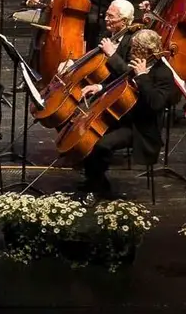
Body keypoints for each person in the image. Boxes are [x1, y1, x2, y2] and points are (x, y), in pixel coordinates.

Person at [72, 29, 178, 198]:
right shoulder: (137, 62)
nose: (132, 52)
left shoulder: (163, 73)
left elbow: (155, 104)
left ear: (149, 51)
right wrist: (100, 87)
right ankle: (94, 179)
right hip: (123, 117)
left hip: (140, 128)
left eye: (136, 49)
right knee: (86, 134)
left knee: (101, 144)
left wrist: (142, 76)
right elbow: (122, 84)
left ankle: (101, 187)